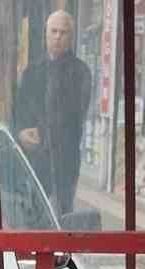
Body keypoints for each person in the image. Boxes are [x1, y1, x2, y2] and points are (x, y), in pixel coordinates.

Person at [12, 9, 91, 217]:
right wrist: (21, 133)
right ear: (46, 35)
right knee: (33, 214)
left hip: (65, 158)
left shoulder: (81, 73)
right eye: (54, 31)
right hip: (35, 159)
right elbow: (18, 113)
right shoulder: (31, 72)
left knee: (63, 216)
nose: (57, 37)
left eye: (63, 32)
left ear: (71, 37)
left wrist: (45, 134)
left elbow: (75, 117)